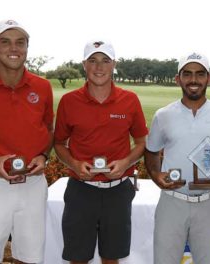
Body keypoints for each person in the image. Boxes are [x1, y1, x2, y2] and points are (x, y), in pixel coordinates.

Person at [0, 19, 54, 263]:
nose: (13, 48)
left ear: (27, 47)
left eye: (20, 42)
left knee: (32, 257)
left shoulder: (42, 86)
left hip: (33, 185)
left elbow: (49, 128)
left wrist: (44, 155)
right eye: (5, 42)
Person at [54, 39, 148, 264]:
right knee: (78, 258)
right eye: (93, 61)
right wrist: (74, 164)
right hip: (80, 190)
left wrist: (125, 162)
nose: (99, 67)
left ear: (114, 64)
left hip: (118, 191)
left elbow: (142, 142)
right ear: (84, 65)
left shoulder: (130, 100)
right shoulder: (69, 101)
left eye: (105, 61)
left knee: (111, 258)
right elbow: (58, 144)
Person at [144, 52, 210, 264]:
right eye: (187, 74)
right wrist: (155, 174)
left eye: (200, 74)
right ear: (178, 79)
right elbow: (151, 151)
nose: (194, 80)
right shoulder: (163, 115)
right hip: (172, 200)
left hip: (208, 202)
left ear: (209, 78)